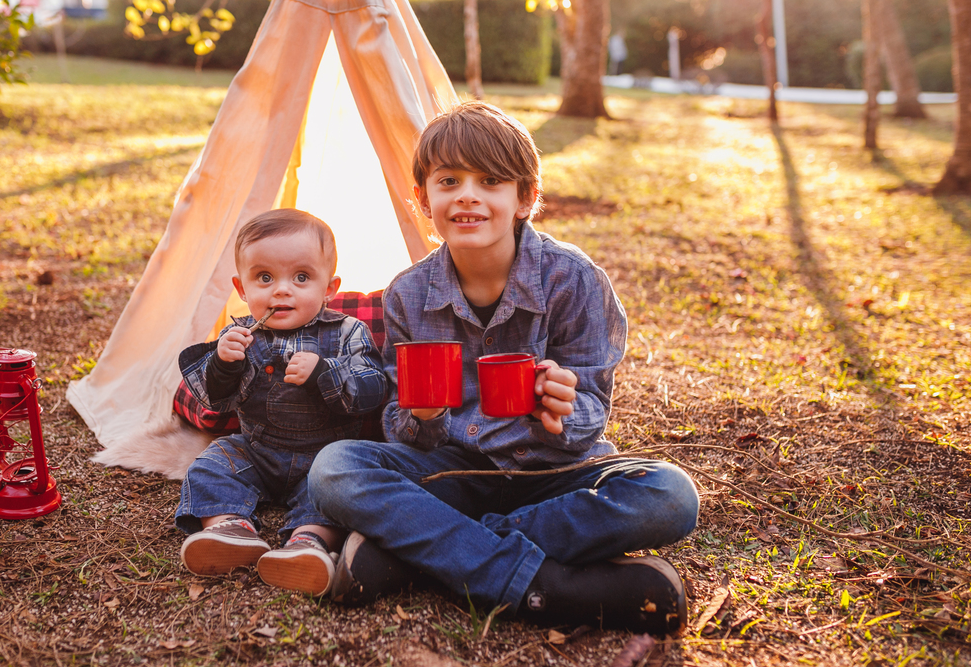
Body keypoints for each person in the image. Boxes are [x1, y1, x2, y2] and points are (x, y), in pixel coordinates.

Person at [306, 101, 700, 635]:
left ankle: (423, 553)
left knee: (669, 495)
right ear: (423, 199)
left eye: (490, 180)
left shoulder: (574, 280)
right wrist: (421, 417)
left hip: (555, 476)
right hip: (454, 471)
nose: (467, 194)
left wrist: (561, 410)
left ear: (525, 198)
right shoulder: (407, 294)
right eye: (449, 181)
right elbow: (402, 428)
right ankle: (544, 587)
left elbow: (591, 410)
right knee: (334, 468)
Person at [174, 208, 387, 597]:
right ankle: (229, 529)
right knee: (211, 463)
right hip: (257, 449)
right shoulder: (240, 335)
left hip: (324, 457)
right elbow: (214, 400)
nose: (281, 290)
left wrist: (325, 372)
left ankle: (308, 542)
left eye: (301, 277)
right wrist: (222, 363)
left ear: (329, 288)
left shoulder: (347, 332)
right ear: (242, 288)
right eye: (264, 278)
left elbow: (374, 388)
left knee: (340, 487)